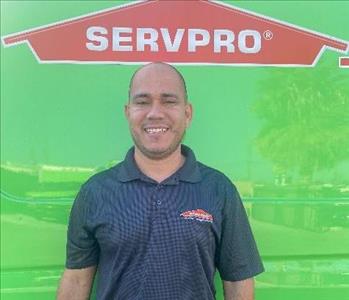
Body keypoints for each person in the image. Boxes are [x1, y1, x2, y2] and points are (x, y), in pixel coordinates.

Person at [57, 62, 264, 300]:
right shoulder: (95, 192)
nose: (155, 113)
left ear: (187, 113)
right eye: (143, 102)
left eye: (168, 101)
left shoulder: (219, 189)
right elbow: (75, 280)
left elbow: (238, 281)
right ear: (128, 112)